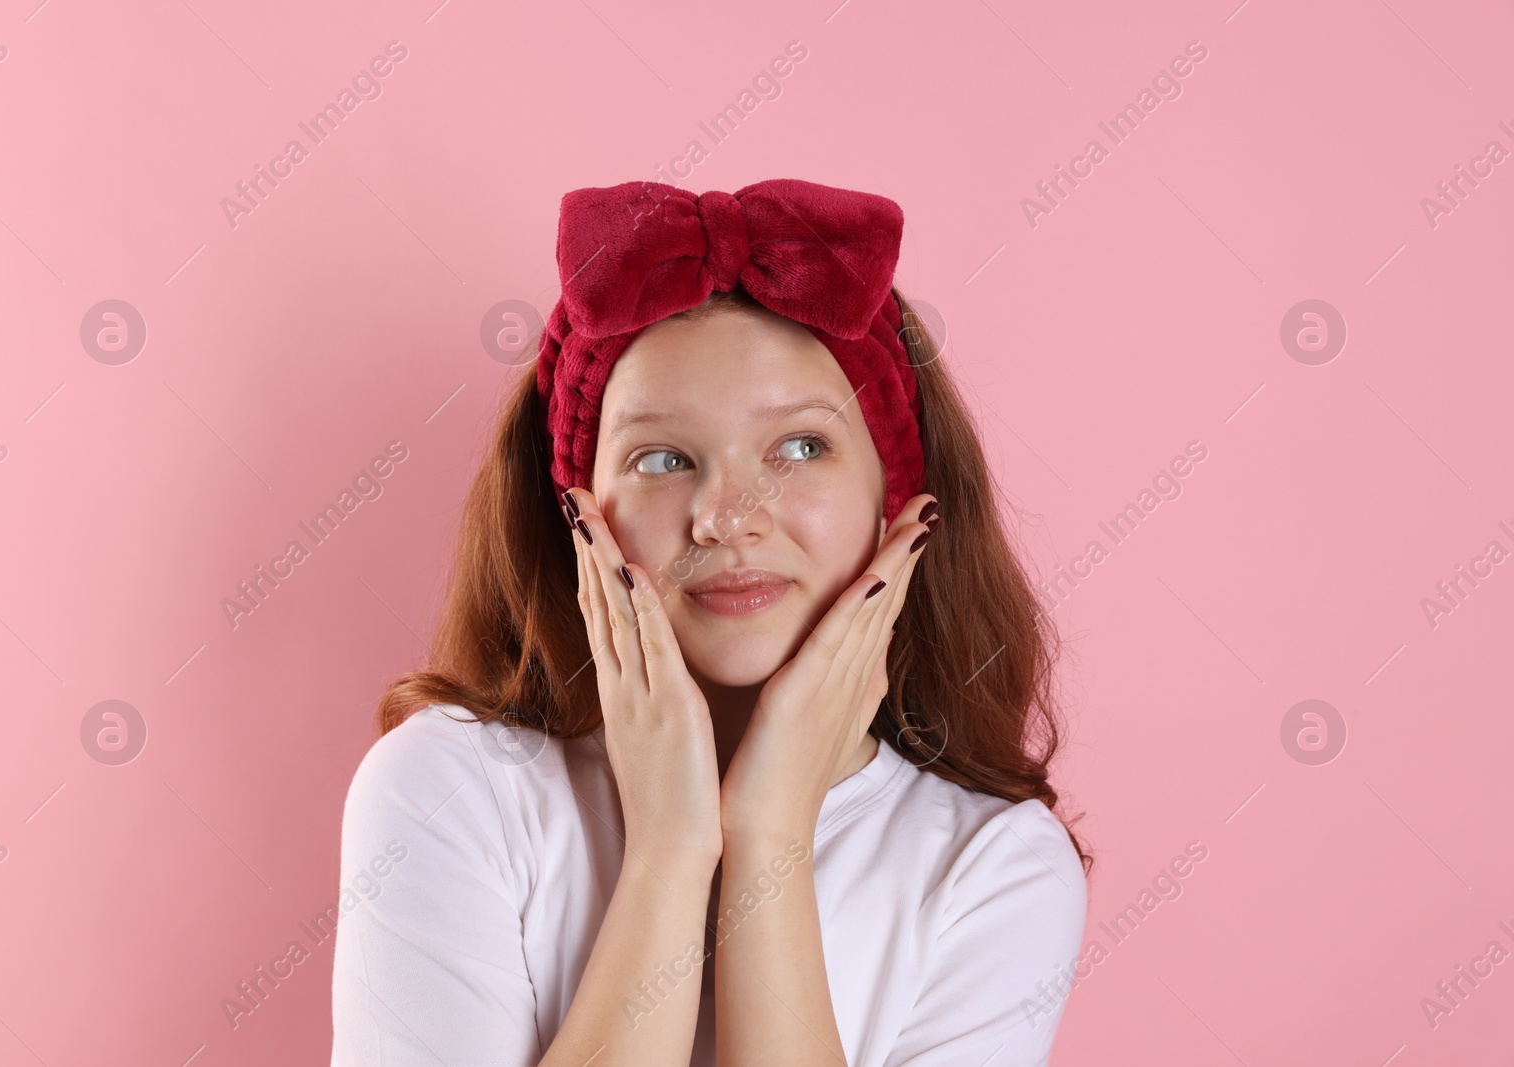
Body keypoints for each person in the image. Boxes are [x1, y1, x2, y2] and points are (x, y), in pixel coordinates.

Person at [329, 178, 1090, 1067]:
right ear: (578, 513)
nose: (728, 516)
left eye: (801, 446)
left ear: (895, 499)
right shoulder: (449, 790)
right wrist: (668, 849)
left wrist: (771, 831)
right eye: (662, 458)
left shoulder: (996, 868)